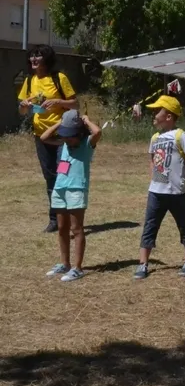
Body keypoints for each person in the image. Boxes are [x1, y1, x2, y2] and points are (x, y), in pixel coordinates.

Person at [134, 96, 185, 280]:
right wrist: (153, 180)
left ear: (169, 116)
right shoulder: (155, 137)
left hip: (177, 192)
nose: (154, 115)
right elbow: (152, 160)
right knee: (150, 226)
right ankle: (143, 264)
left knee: (184, 225)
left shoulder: (181, 136)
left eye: (157, 111)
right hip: (156, 192)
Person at [17, 45, 79, 233]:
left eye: (39, 56)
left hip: (61, 137)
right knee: (49, 176)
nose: (34, 59)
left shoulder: (59, 78)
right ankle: (54, 219)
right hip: (41, 138)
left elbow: (75, 103)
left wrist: (59, 102)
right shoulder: (29, 81)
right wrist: (24, 106)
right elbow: (22, 110)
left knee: (63, 174)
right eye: (32, 56)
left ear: (47, 59)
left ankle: (68, 217)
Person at [40, 110, 101, 282]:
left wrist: (86, 120)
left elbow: (97, 132)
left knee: (77, 228)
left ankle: (78, 268)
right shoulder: (63, 143)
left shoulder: (87, 144)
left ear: (79, 133)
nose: (67, 139)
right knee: (62, 228)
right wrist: (61, 124)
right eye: (65, 136)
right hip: (60, 187)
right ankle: (65, 263)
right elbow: (44, 138)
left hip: (76, 189)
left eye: (70, 136)